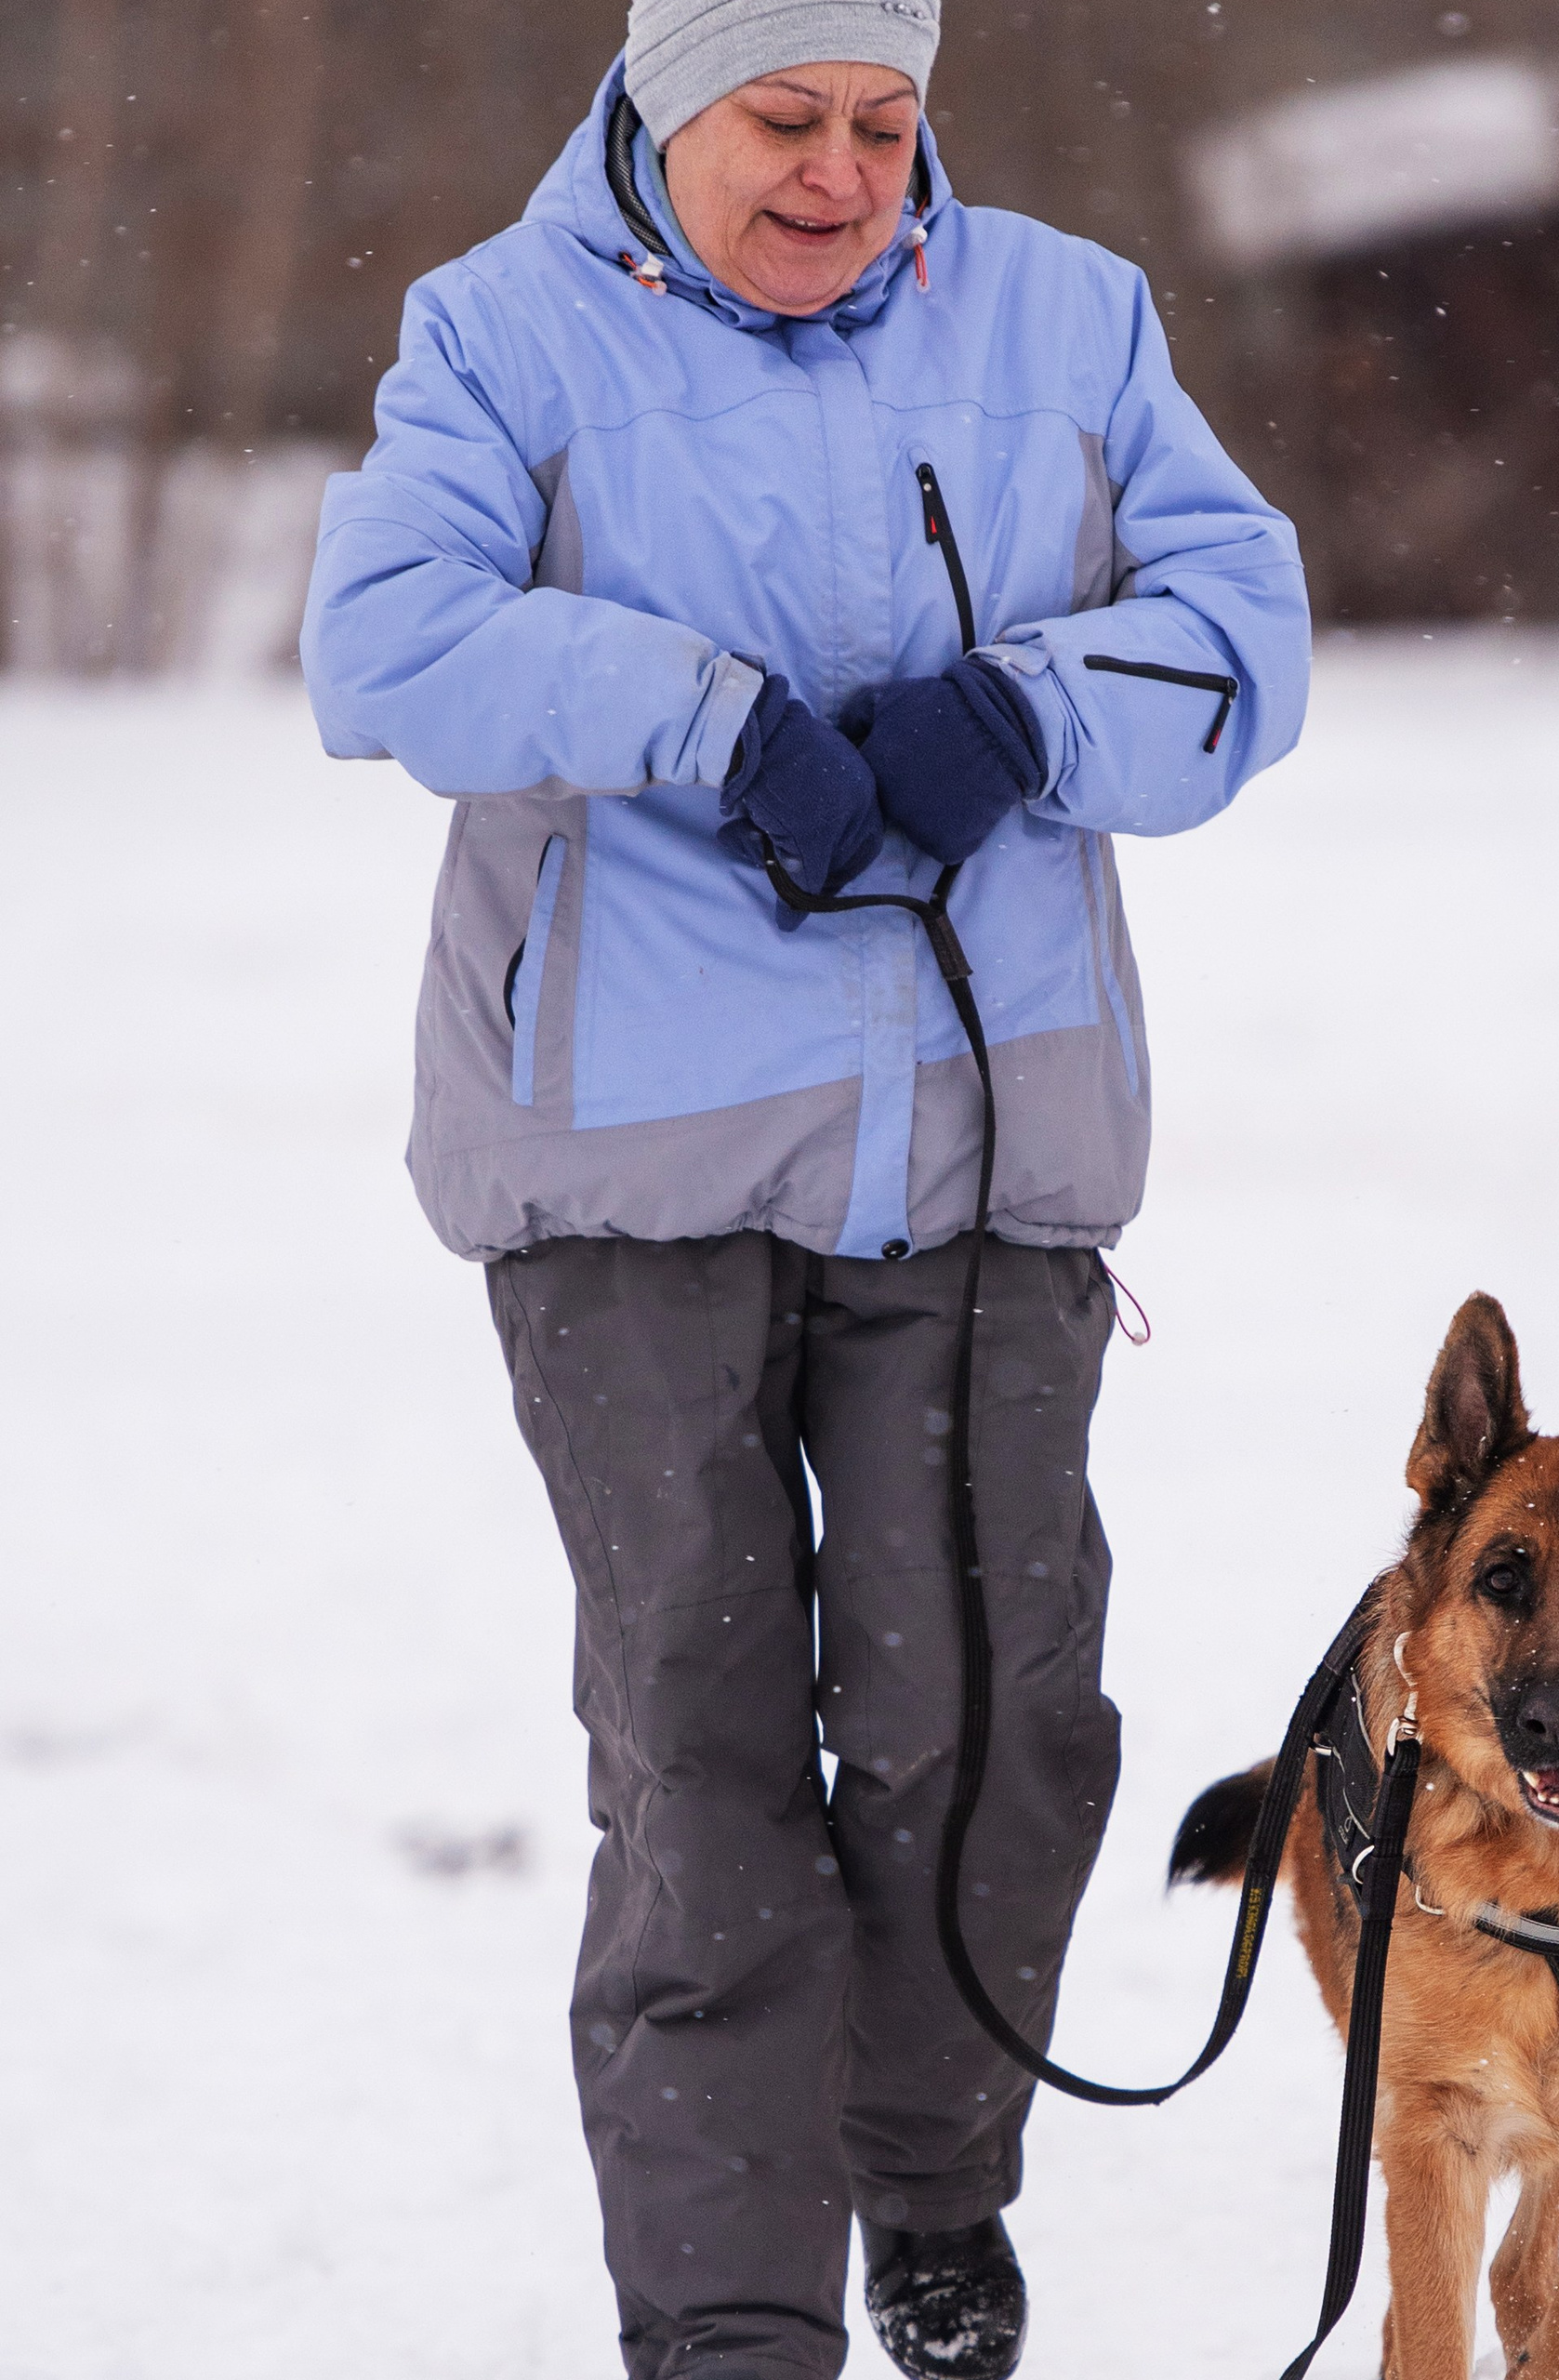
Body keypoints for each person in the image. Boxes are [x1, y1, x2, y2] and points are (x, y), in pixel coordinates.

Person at [299, 1, 1309, 2372]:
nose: (844, 170)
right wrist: (708, 715)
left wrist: (1022, 715)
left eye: (885, 118)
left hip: (980, 1152)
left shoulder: (1071, 316)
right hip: (622, 1168)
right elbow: (384, 644)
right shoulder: (501, 331)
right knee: (703, 1746)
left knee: (992, 1719)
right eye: (786, 117)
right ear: (668, 103)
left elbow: (1243, 638)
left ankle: (932, 2178)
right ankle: (733, 2328)